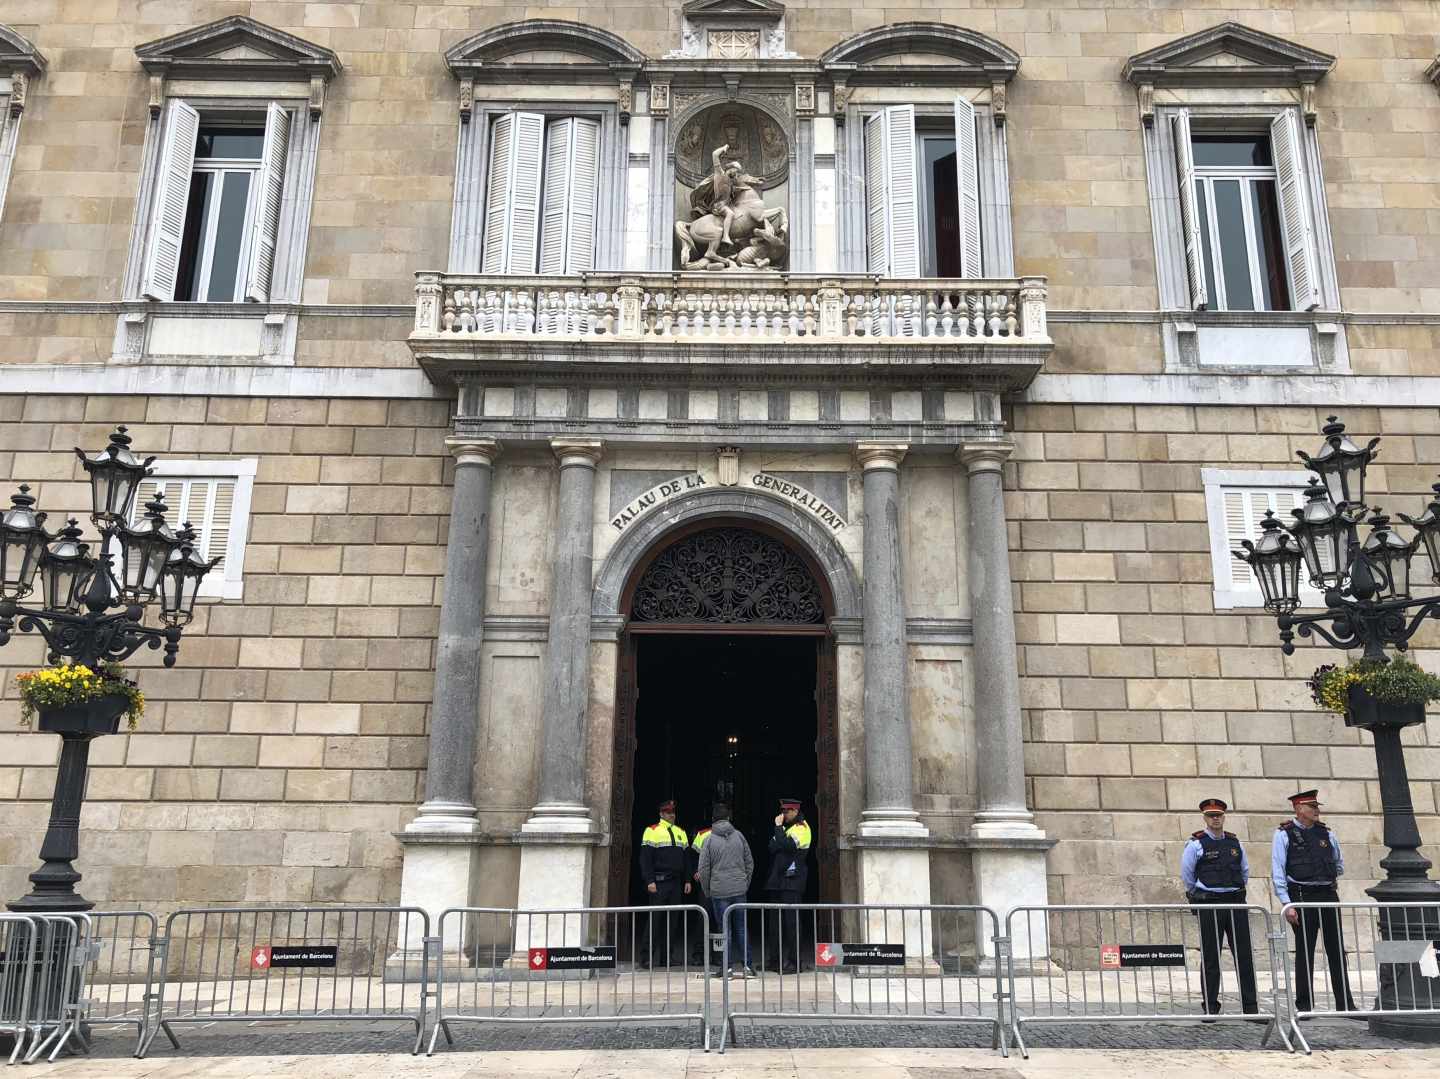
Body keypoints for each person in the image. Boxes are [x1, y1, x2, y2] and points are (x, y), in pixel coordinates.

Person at [1272, 789, 1359, 1013]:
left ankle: (1345, 1004)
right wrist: (1286, 903)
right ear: (1299, 809)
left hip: (1328, 894)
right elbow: (1278, 870)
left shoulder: (1326, 834)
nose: (1317, 810)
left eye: (1316, 806)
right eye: (1312, 807)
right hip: (1302, 896)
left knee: (1336, 949)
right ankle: (1305, 1005)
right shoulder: (1283, 834)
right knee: (1305, 950)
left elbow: (1338, 863)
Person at [1181, 798, 1259, 1017]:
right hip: (1210, 903)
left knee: (1243, 954)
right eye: (1211, 815)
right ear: (1205, 818)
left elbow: (1244, 871)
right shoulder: (1196, 844)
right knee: (1211, 956)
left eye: (1218, 815)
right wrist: (1199, 895)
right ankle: (1211, 1006)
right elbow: (1187, 876)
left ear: (1224, 817)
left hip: (1235, 901)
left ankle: (1250, 1007)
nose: (1215, 819)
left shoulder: (1235, 843)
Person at [695, 803, 756, 978]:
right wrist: (744, 884)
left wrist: (708, 890)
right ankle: (748, 967)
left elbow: (703, 869)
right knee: (742, 928)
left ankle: (726, 968)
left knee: (724, 930)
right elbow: (749, 863)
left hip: (719, 892)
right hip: (739, 890)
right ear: (729, 818)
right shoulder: (739, 836)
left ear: (713, 819)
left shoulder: (709, 840)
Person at [638, 797, 691, 968]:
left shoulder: (680, 832)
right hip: (659, 883)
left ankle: (667, 957)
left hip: (675, 883)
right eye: (668, 813)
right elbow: (645, 858)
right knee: (655, 921)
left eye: (673, 813)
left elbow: (687, 859)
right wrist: (649, 880)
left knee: (672, 922)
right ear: (661, 813)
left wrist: (687, 880)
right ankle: (646, 958)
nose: (671, 815)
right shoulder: (651, 830)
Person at [765, 797, 812, 974]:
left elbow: (787, 846)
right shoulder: (787, 828)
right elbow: (772, 846)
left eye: (786, 812)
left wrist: (778, 829)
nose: (783, 815)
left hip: (792, 881)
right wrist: (780, 835)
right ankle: (775, 961)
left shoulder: (802, 828)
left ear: (795, 811)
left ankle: (794, 962)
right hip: (777, 880)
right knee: (774, 924)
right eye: (782, 812)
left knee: (792, 924)